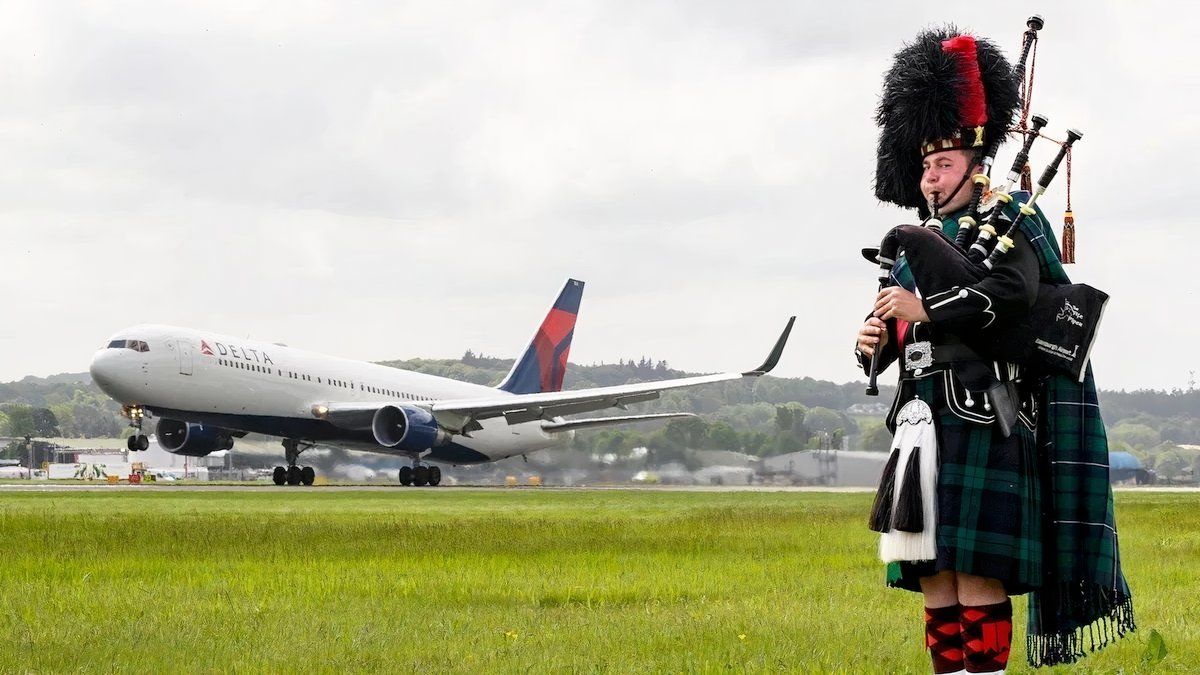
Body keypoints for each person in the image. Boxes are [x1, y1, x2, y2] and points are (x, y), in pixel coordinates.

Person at [856, 26, 1134, 673]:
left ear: (976, 165)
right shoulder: (916, 241)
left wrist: (927, 309)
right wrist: (872, 342)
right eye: (926, 166)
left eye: (944, 164)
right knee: (933, 572)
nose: (931, 177)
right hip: (921, 420)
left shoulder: (1012, 219)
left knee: (977, 571)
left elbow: (1014, 295)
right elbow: (898, 334)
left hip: (985, 413)